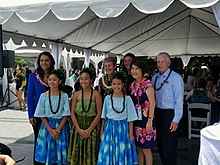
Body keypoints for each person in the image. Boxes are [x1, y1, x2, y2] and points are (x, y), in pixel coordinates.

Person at [97, 71, 138, 165]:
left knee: (121, 151)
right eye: (114, 84)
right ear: (111, 85)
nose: (116, 86)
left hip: (123, 129)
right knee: (109, 152)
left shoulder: (128, 99)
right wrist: (101, 131)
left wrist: (131, 134)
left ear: (123, 84)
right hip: (109, 128)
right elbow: (104, 117)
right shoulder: (107, 98)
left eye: (119, 84)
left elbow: (131, 119)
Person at [152, 52, 184, 165]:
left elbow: (179, 101)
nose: (160, 64)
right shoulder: (155, 78)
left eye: (162, 61)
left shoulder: (176, 78)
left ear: (169, 63)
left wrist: (176, 119)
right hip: (158, 113)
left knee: (169, 146)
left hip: (170, 114)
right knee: (160, 144)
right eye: (158, 62)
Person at [34, 70, 70, 165]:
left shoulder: (64, 96)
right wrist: (50, 130)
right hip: (47, 127)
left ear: (60, 81)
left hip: (61, 127)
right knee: (49, 154)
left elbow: (66, 114)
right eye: (50, 79)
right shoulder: (43, 96)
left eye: (54, 80)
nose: (52, 82)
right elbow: (42, 115)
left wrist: (58, 130)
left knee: (60, 154)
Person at [68, 67, 102, 165]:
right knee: (78, 156)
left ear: (91, 80)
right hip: (78, 126)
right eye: (81, 78)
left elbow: (99, 114)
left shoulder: (96, 95)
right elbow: (72, 113)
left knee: (90, 155)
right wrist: (78, 129)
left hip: (92, 127)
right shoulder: (77, 94)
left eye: (86, 78)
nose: (83, 81)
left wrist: (89, 130)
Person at [27, 51, 55, 165]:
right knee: (39, 141)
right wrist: (31, 114)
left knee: (51, 141)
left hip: (53, 114)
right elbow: (30, 97)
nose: (44, 63)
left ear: (51, 62)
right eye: (42, 60)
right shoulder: (33, 76)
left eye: (47, 60)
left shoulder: (56, 75)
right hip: (38, 115)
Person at [130, 59, 156, 165]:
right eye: (132, 68)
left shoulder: (147, 84)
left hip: (146, 120)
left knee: (146, 149)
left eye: (137, 69)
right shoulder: (132, 84)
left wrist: (150, 120)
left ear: (142, 70)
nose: (134, 71)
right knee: (138, 149)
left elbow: (153, 103)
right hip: (136, 119)